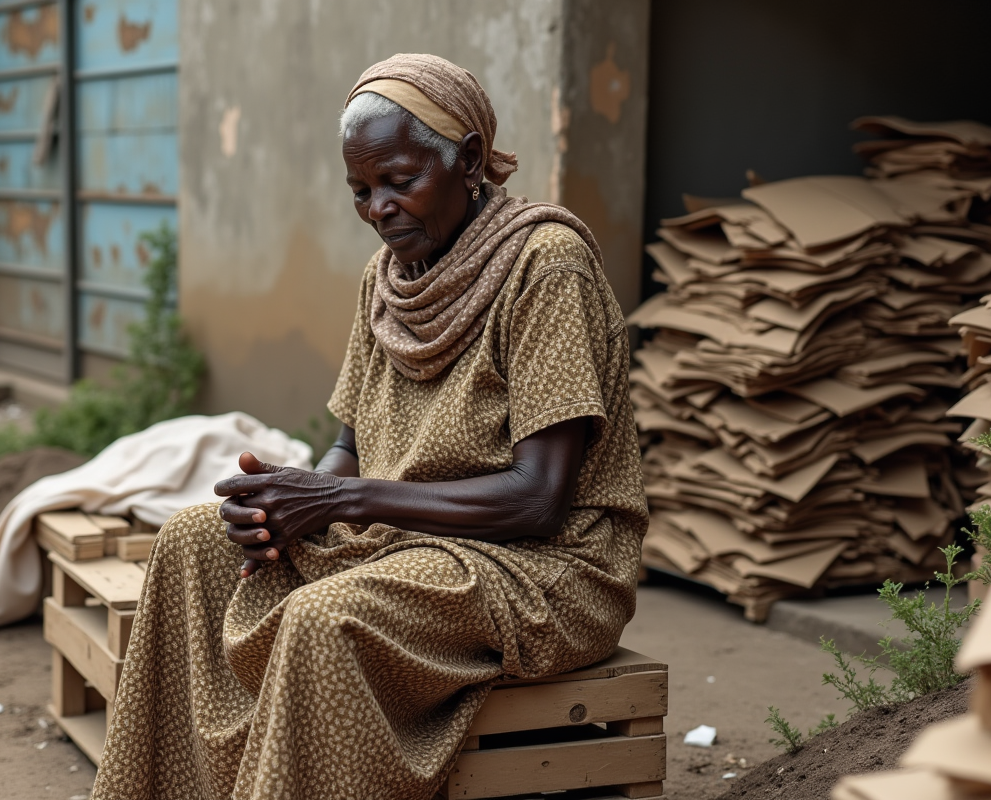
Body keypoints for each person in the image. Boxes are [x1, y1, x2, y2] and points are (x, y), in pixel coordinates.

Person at [91, 53, 647, 800]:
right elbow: (348, 452)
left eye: (399, 181)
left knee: (326, 620)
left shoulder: (546, 266)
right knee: (192, 541)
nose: (379, 207)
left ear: (470, 160)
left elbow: (537, 499)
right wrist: (285, 503)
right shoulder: (384, 279)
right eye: (361, 191)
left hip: (545, 569)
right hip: (411, 540)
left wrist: (341, 503)